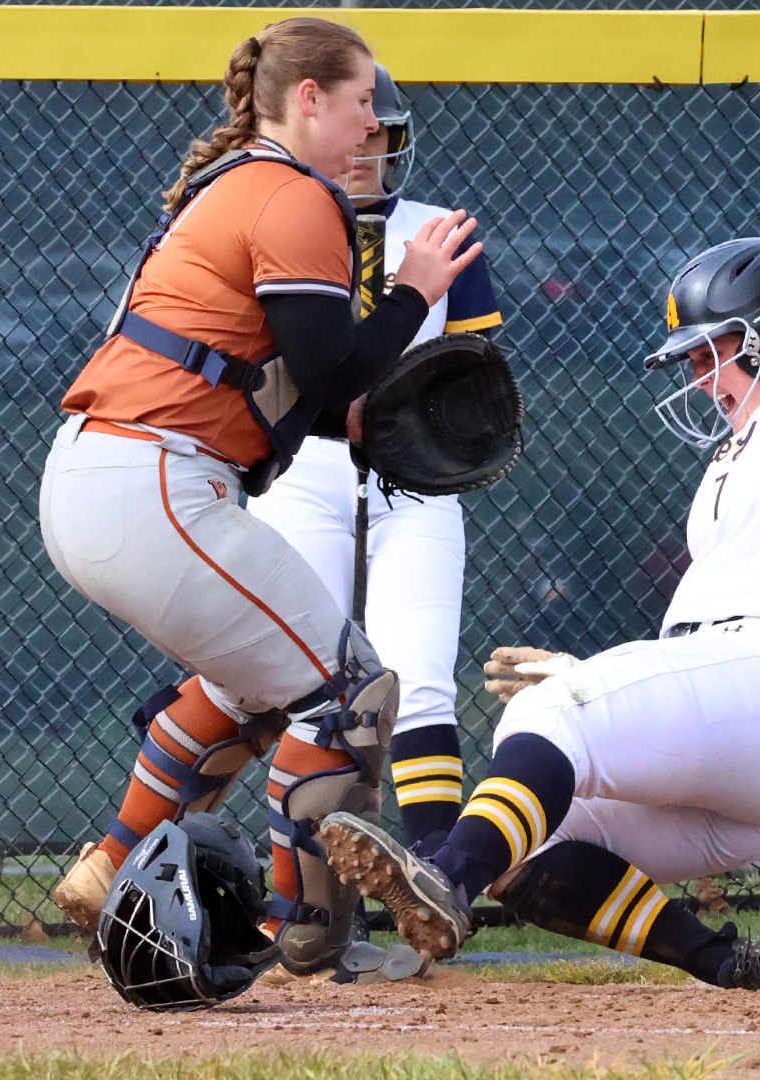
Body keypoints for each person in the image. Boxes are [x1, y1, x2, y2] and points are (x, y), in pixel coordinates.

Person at [320, 121, 760, 992]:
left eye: (710, 353)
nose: (700, 377)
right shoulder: (748, 445)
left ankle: (443, 881)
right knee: (531, 838)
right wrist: (603, 681)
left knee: (538, 729)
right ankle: (731, 961)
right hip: (751, 712)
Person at [38, 17, 484, 984]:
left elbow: (271, 382)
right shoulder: (292, 196)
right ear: (309, 99)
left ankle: (112, 862)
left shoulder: (241, 183)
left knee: (251, 687)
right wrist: (410, 293)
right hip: (152, 482)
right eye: (362, 100)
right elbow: (330, 374)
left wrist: (352, 427)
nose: (374, 123)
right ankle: (309, 925)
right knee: (351, 690)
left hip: (110, 478)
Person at [246, 63, 503, 862]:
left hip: (414, 481)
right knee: (307, 684)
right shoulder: (282, 216)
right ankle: (299, 891)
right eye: (358, 128)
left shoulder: (442, 232)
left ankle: (436, 881)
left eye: (379, 134)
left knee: (419, 680)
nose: (365, 148)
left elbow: (475, 368)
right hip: (302, 471)